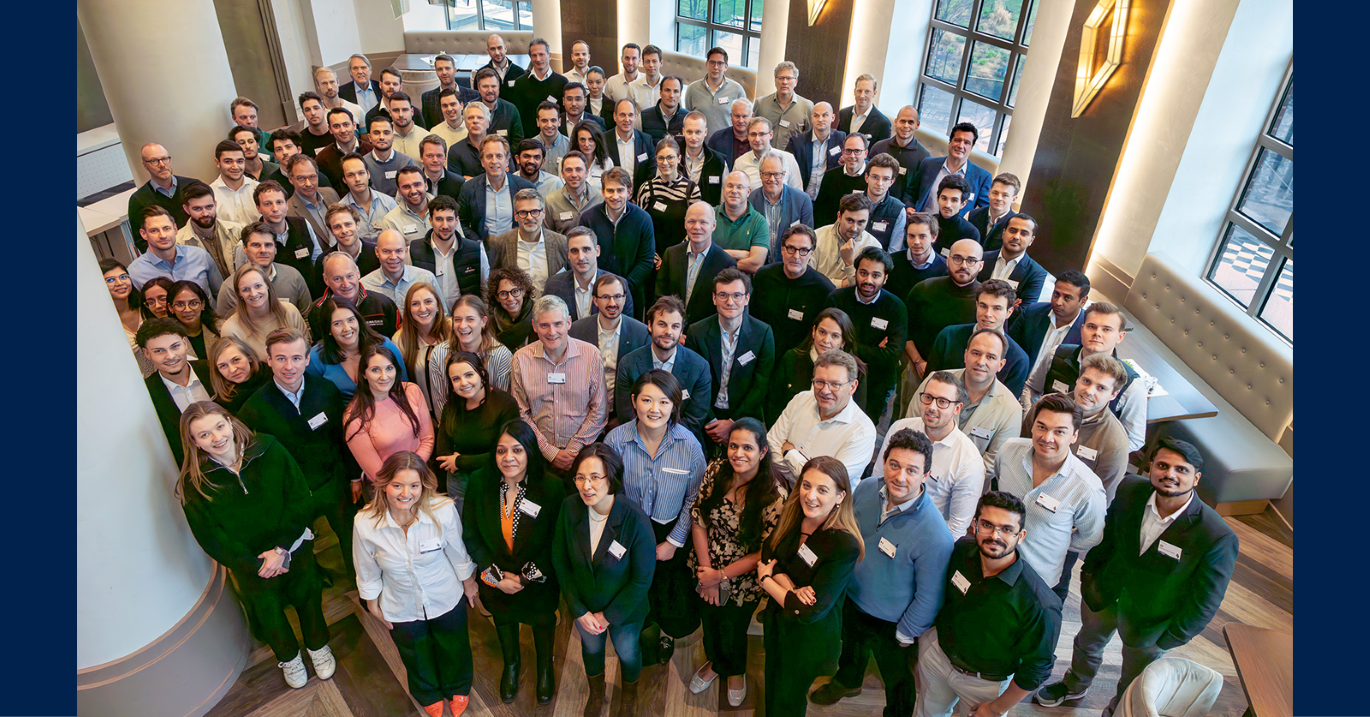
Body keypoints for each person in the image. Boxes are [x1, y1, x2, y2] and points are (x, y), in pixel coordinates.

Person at [1033, 438, 1238, 714]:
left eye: (1181, 469)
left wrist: (1170, 638)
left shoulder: (1215, 535)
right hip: (1104, 595)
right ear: (1151, 466)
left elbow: (1206, 601)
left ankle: (1119, 709)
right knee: (1086, 645)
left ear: (1196, 478)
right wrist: (1090, 577)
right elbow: (1107, 539)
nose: (1170, 474)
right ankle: (1074, 685)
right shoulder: (1130, 489)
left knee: (1136, 676)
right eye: (1163, 465)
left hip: (1152, 622)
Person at [176, 402, 334, 688]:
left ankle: (318, 646)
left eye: (219, 427)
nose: (217, 438)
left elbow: (299, 496)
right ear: (194, 442)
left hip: (292, 546)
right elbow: (210, 537)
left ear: (230, 422)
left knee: (308, 598)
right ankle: (289, 658)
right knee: (269, 613)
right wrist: (255, 564)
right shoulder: (194, 484)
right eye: (204, 435)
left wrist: (281, 549)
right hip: (251, 565)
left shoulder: (269, 448)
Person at [809, 429, 954, 716]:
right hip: (852, 599)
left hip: (893, 622)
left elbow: (930, 596)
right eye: (894, 465)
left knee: (897, 681)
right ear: (884, 462)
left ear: (926, 475)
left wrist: (906, 632)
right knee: (850, 650)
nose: (900, 477)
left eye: (912, 470)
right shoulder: (866, 489)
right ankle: (848, 682)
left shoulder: (936, 535)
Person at [913, 491, 1062, 717]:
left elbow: (1037, 668)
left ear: (1021, 536)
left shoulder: (1040, 602)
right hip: (938, 657)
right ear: (975, 525)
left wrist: (996, 709)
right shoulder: (961, 551)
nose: (995, 535)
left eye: (1007, 529)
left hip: (985, 684)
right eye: (987, 525)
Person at [353, 452, 479, 717]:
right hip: (400, 602)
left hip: (445, 593)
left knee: (454, 645)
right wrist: (372, 604)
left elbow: (457, 552)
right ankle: (427, 693)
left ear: (423, 485)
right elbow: (366, 569)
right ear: (384, 484)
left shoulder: (442, 510)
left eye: (413, 485)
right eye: (397, 485)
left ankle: (457, 686)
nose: (405, 494)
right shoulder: (364, 522)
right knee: (414, 652)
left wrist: (469, 584)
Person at [605, 371, 708, 665]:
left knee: (667, 592)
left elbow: (695, 498)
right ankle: (639, 636)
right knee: (634, 590)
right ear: (633, 401)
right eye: (647, 400)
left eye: (664, 402)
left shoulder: (689, 445)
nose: (654, 409)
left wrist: (674, 542)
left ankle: (663, 634)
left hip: (670, 530)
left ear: (674, 405)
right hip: (628, 530)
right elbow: (609, 494)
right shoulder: (616, 440)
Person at [461, 419, 565, 704]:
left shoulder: (552, 488)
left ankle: (545, 667)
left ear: (530, 451)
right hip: (495, 579)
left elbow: (556, 542)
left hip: (538, 581)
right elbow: (470, 534)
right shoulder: (479, 482)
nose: (508, 458)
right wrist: (496, 578)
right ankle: (511, 664)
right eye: (501, 450)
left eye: (517, 450)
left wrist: (523, 578)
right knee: (503, 619)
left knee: (542, 623)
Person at [239, 328, 357, 576]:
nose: (289, 366)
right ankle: (317, 581)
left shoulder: (326, 390)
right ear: (269, 360)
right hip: (290, 493)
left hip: (331, 482)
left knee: (350, 537)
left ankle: (359, 582)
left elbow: (342, 438)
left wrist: (354, 477)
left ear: (307, 359)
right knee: (300, 550)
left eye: (296, 358)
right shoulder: (253, 409)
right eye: (281, 358)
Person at [551, 443, 657, 717]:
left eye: (595, 477)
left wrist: (608, 616)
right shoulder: (569, 508)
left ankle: (629, 699)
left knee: (628, 652)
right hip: (584, 607)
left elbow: (642, 580)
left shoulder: (634, 519)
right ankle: (596, 694)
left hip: (625, 611)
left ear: (612, 477)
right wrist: (578, 610)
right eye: (580, 477)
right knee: (591, 649)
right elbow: (560, 561)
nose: (586, 486)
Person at [687, 418, 787, 706]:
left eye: (747, 448)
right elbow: (698, 519)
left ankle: (735, 669)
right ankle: (715, 662)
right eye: (733, 446)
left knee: (733, 627)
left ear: (763, 451)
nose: (738, 454)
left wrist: (720, 576)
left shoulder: (774, 495)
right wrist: (707, 573)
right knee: (709, 621)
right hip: (705, 561)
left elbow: (764, 551)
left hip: (743, 576)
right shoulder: (716, 470)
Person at [757, 456, 864, 717]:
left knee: (789, 702)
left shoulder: (844, 545)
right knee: (772, 685)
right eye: (806, 485)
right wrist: (791, 590)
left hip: (806, 640)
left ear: (840, 497)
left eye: (822, 490)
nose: (810, 496)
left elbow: (808, 611)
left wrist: (767, 581)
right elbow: (768, 555)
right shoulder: (794, 515)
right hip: (777, 623)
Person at [992, 393, 1106, 598]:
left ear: (1074, 436)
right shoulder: (1009, 451)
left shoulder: (1087, 487)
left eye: (1059, 431)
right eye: (1042, 427)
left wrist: (1057, 542)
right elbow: (998, 479)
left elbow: (1090, 536)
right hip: (991, 563)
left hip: (1035, 582)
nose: (1047, 438)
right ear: (1032, 426)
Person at [875, 371, 986, 537]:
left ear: (957, 408)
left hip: (922, 538)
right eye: (928, 397)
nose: (932, 407)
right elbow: (877, 480)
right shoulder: (899, 428)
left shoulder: (969, 461)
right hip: (880, 521)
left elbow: (956, 528)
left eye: (942, 402)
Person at [509, 295, 609, 476]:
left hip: (582, 455)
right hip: (538, 454)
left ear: (569, 323)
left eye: (558, 324)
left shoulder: (591, 355)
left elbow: (599, 410)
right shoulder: (521, 359)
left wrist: (573, 449)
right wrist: (550, 452)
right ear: (534, 326)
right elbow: (521, 412)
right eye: (544, 325)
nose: (552, 332)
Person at [911, 330, 1024, 475]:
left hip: (965, 483)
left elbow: (993, 463)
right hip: (915, 471)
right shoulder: (934, 381)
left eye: (990, 357)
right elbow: (911, 426)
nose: (981, 362)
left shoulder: (1011, 409)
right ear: (965, 355)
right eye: (976, 353)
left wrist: (949, 479)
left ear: (1001, 365)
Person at [1041, 302, 1148, 452]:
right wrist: (1033, 419)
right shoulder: (1056, 353)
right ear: (1082, 329)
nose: (1097, 333)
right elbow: (1032, 388)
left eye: (1106, 329)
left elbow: (1134, 439)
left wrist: (1099, 453)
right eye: (1091, 326)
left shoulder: (1132, 385)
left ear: (1120, 336)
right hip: (1043, 440)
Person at [685, 268, 777, 435]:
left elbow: (761, 384)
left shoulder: (763, 333)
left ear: (747, 298)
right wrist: (711, 422)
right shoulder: (696, 332)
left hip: (745, 416)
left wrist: (733, 422)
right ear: (714, 298)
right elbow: (692, 380)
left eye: (737, 295)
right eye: (723, 295)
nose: (730, 302)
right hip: (705, 416)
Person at [767, 350, 877, 486]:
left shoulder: (862, 432)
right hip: (780, 487)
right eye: (819, 382)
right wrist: (805, 475)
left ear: (852, 387)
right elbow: (770, 447)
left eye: (835, 384)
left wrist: (789, 453)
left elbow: (827, 483)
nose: (825, 390)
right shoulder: (801, 400)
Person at [824, 246, 908, 422]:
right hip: (835, 377)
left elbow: (892, 355)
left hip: (875, 383)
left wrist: (846, 345)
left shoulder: (896, 307)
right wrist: (873, 350)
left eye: (876, 275)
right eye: (863, 273)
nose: (868, 280)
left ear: (885, 278)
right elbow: (826, 345)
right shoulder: (836, 300)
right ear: (855, 273)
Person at [615, 296, 714, 445]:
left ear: (681, 331)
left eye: (675, 326)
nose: (668, 332)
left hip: (682, 443)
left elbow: (694, 420)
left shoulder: (699, 367)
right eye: (662, 324)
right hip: (636, 441)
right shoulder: (629, 363)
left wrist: (661, 441)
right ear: (650, 325)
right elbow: (626, 414)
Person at [435, 352, 521, 509]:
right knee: (461, 523)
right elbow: (442, 453)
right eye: (456, 379)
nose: (463, 383)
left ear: (481, 374)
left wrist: (460, 461)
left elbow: (507, 454)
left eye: (469, 375)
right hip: (459, 480)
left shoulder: (505, 404)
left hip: (494, 477)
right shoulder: (451, 406)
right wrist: (461, 463)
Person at [1046, 353, 1132, 501]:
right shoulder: (1045, 407)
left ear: (1114, 395)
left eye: (1101, 388)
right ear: (1077, 379)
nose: (1089, 391)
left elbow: (1101, 499)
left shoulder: (1116, 443)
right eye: (1086, 381)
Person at [344, 344, 435, 485]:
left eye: (389, 368)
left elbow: (427, 439)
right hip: (386, 486)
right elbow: (376, 473)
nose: (384, 376)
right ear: (364, 374)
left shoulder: (412, 391)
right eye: (375, 370)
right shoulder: (355, 416)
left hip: (420, 476)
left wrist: (414, 474)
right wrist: (404, 482)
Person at [768, 308, 869, 432]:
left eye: (835, 336)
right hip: (788, 433)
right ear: (813, 332)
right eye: (822, 332)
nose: (826, 340)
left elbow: (856, 417)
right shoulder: (792, 358)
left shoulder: (856, 371)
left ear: (843, 341)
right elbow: (773, 404)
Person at [926, 279, 1031, 395]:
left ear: (1009, 312)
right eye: (983, 306)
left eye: (997, 308)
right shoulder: (948, 336)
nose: (988, 314)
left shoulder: (1019, 359)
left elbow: (1006, 402)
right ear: (976, 305)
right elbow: (928, 383)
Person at [568, 274, 650, 422]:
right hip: (583, 414)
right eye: (605, 297)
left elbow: (644, 383)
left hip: (624, 415)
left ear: (624, 299)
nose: (612, 303)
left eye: (617, 296)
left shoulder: (642, 334)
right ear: (595, 300)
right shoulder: (576, 331)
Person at [903, 238, 983, 382]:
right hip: (919, 369)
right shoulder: (924, 289)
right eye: (957, 258)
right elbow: (905, 331)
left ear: (981, 265)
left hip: (966, 378)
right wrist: (918, 361)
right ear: (947, 261)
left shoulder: (986, 301)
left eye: (971, 260)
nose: (963, 265)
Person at [138, 318, 215, 462]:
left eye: (175, 346)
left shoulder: (212, 370)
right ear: (147, 354)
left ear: (185, 343)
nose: (170, 356)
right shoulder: (146, 393)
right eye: (159, 351)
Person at [748, 227, 832, 358]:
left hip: (799, 358)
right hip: (761, 351)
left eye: (803, 250)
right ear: (782, 249)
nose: (796, 256)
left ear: (811, 253)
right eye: (791, 248)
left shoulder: (824, 289)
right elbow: (752, 318)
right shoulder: (764, 276)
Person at [581, 167, 656, 313]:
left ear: (629, 192)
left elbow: (647, 260)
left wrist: (624, 286)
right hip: (597, 293)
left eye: (620, 190)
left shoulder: (643, 219)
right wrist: (601, 287)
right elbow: (584, 256)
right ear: (603, 192)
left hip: (632, 293)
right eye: (610, 190)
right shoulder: (588, 218)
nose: (615, 196)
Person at [307, 295, 407, 397]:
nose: (347, 328)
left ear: (358, 321)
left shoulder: (385, 345)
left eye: (351, 320)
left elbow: (404, 386)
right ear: (328, 329)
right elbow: (312, 397)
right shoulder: (315, 357)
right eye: (337, 324)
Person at [1010, 269, 1089, 398]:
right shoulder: (1032, 313)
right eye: (1056, 294)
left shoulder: (1087, 332)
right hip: (1016, 388)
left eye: (1067, 298)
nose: (1058, 302)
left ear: (1083, 301)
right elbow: (1010, 349)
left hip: (1054, 401)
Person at [657, 201, 738, 326]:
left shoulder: (726, 263)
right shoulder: (671, 254)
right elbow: (660, 296)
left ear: (713, 226)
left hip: (705, 332)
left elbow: (723, 307)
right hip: (672, 329)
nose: (696, 227)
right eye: (691, 221)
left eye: (703, 222)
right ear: (685, 223)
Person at [430, 294, 516, 409]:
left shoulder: (501, 356)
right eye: (457, 319)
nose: (462, 326)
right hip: (453, 418)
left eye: (470, 319)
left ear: (483, 322)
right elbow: (441, 404)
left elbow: (503, 404)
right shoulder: (439, 354)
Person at [128, 207, 223, 305]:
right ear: (143, 234)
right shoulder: (135, 273)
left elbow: (220, 295)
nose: (163, 235)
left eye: (166, 228)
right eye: (154, 231)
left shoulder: (200, 256)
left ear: (175, 229)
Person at [217, 221, 314, 316]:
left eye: (268, 245)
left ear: (275, 249)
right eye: (256, 245)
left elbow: (306, 317)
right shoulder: (230, 288)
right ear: (244, 248)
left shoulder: (293, 276)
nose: (263, 250)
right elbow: (224, 324)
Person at [220, 264, 309, 361]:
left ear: (268, 285)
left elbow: (305, 350)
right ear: (239, 294)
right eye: (245, 289)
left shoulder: (290, 312)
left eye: (258, 286)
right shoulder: (230, 330)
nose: (253, 293)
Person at [636, 137, 702, 268]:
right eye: (660, 158)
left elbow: (695, 228)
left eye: (670, 157)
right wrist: (655, 258)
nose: (665, 162)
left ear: (679, 158)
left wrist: (672, 257)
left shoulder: (691, 190)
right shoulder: (646, 189)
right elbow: (639, 227)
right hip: (650, 259)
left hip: (681, 258)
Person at [543, 227, 634, 322]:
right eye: (574, 251)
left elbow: (626, 325)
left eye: (586, 249)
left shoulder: (619, 285)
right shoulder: (553, 286)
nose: (581, 257)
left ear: (597, 251)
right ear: (568, 254)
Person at [457, 136, 538, 243]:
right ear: (482, 162)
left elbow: (534, 220)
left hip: (516, 246)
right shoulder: (469, 188)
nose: (494, 161)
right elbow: (461, 222)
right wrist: (478, 243)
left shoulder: (525, 187)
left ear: (507, 161)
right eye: (489, 156)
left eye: (499, 156)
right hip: (482, 247)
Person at [410, 195, 488, 305]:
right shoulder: (414, 251)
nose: (445, 226)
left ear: (457, 221)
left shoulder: (476, 250)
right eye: (439, 219)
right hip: (429, 315)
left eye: (449, 219)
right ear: (431, 221)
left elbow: (486, 291)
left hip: (465, 314)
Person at [488, 189, 568, 292]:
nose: (529, 217)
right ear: (515, 215)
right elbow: (493, 283)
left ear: (543, 213)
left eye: (535, 212)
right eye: (523, 212)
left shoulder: (561, 242)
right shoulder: (500, 243)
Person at [910, 122, 992, 217]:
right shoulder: (928, 164)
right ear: (950, 142)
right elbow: (911, 193)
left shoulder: (982, 177)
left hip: (956, 226)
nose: (960, 146)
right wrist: (909, 207)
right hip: (923, 223)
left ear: (971, 147)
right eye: (957, 140)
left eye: (966, 143)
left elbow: (986, 212)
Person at [393, 283, 450, 414]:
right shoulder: (400, 339)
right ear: (408, 310)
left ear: (438, 305)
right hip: (423, 412)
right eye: (415, 304)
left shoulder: (452, 330)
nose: (422, 309)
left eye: (428, 301)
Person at [315, 244, 395, 337]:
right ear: (326, 280)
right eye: (337, 279)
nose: (346, 284)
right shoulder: (317, 311)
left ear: (358, 273)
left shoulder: (383, 304)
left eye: (350, 276)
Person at [129, 142, 201, 246]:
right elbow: (141, 242)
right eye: (154, 161)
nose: (162, 165)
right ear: (145, 165)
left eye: (164, 159)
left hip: (200, 248)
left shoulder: (194, 186)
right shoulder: (138, 200)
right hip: (167, 254)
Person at [748, 153, 815, 264]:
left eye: (777, 174)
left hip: (790, 266)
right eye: (767, 174)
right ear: (760, 174)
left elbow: (808, 240)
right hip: (759, 267)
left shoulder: (802, 200)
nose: (772, 179)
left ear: (784, 174)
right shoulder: (749, 201)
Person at [976, 214, 1048, 307]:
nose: (1016, 237)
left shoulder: (1036, 273)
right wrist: (1008, 305)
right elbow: (968, 292)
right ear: (1003, 233)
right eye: (1012, 231)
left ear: (1031, 240)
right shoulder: (981, 258)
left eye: (1023, 234)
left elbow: (1025, 311)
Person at [178, 180, 244, 281]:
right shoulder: (179, 242)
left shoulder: (237, 231)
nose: (205, 213)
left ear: (215, 204)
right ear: (187, 209)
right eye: (197, 209)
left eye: (209, 207)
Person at [101, 259, 157, 377]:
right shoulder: (101, 322)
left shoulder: (147, 307)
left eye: (123, 277)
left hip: (165, 378)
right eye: (110, 280)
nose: (119, 283)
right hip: (131, 381)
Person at [812, 192, 881, 288]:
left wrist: (849, 263)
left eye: (861, 222)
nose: (854, 228)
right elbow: (807, 278)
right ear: (839, 217)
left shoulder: (873, 246)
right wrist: (842, 284)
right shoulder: (816, 237)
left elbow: (863, 287)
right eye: (850, 221)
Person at [361, 229, 442, 307]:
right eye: (386, 251)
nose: (393, 257)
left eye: (399, 251)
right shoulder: (365, 286)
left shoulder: (426, 278)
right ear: (377, 252)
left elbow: (442, 313)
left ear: (406, 251)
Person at [871, 106, 931, 208]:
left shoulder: (924, 156)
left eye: (910, 122)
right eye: (902, 121)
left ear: (917, 125)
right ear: (896, 122)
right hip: (874, 204)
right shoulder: (878, 147)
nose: (906, 126)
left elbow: (920, 190)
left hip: (903, 209)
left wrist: (910, 207)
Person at [786, 102, 847, 202]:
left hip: (829, 199)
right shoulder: (797, 142)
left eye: (825, 115)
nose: (820, 119)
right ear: (812, 118)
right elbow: (786, 168)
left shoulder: (841, 138)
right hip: (802, 198)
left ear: (832, 117)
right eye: (816, 116)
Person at [813, 132, 873, 231]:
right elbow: (820, 212)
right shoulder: (830, 176)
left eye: (857, 151)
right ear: (843, 152)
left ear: (865, 153)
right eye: (848, 151)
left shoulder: (872, 178)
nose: (852, 156)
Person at [682, 47, 746, 139]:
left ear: (726, 66)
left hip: (727, 143)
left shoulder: (737, 90)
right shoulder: (692, 89)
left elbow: (743, 121)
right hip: (699, 143)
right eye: (712, 62)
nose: (715, 67)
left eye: (720, 63)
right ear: (706, 64)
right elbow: (688, 119)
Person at [713, 171, 771, 273]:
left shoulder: (759, 222)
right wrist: (740, 254)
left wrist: (714, 257)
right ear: (723, 189)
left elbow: (756, 265)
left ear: (748, 192)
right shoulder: (709, 215)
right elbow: (698, 252)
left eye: (739, 187)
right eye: (730, 186)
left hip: (744, 283)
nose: (734, 191)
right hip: (710, 281)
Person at [509, 38, 568, 138]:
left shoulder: (562, 82)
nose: (538, 59)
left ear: (550, 56)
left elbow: (563, 115)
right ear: (530, 57)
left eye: (541, 54)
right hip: (529, 140)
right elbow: (518, 116)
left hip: (554, 139)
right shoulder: (520, 83)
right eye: (534, 55)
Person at [888, 212, 949, 302]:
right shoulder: (892, 261)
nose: (916, 242)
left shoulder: (944, 269)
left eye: (922, 236)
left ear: (933, 237)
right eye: (911, 236)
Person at [339, 153, 399, 243]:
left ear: (368, 174)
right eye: (351, 175)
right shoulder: (340, 211)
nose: (357, 179)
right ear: (344, 180)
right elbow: (336, 244)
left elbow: (400, 237)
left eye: (361, 173)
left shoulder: (388, 203)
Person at [753, 61, 813, 152]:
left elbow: (810, 138)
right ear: (775, 81)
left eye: (788, 78)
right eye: (781, 78)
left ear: (796, 81)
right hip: (764, 156)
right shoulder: (761, 103)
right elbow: (752, 132)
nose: (784, 82)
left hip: (793, 158)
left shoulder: (807, 106)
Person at [733, 120, 804, 193]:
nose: (757, 139)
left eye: (762, 134)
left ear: (771, 135)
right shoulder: (740, 163)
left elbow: (798, 193)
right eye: (753, 134)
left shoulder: (788, 159)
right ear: (748, 136)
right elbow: (735, 193)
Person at [207, 335, 272, 415]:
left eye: (236, 360)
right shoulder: (222, 404)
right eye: (223, 366)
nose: (232, 370)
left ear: (249, 357)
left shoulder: (273, 375)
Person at [544, 151, 604, 235]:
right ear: (562, 174)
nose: (574, 175)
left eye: (578, 169)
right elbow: (548, 236)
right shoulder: (551, 201)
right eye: (569, 170)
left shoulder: (601, 199)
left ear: (586, 173)